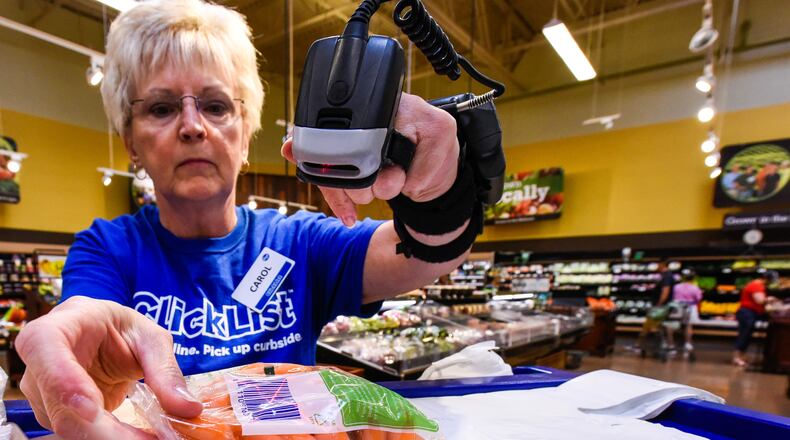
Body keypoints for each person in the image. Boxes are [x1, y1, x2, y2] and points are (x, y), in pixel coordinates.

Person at [14, 1, 478, 437]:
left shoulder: (298, 242)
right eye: (161, 108)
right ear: (131, 142)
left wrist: (439, 192)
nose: (193, 126)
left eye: (215, 106)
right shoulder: (108, 248)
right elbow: (87, 316)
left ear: (246, 131)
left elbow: (425, 253)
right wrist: (70, 341)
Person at [733, 271, 779, 367]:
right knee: (744, 335)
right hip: (747, 313)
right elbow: (760, 300)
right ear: (767, 279)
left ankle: (742, 356)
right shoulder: (756, 286)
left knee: (747, 335)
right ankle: (736, 358)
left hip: (749, 313)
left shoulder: (757, 284)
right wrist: (770, 299)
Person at [636, 260, 675, 351]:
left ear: (662, 264)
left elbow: (665, 292)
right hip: (662, 306)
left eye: (657, 264)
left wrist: (659, 304)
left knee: (650, 326)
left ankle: (645, 346)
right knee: (652, 326)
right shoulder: (666, 276)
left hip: (660, 307)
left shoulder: (666, 276)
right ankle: (666, 345)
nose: (656, 267)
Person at [671, 271, 703, 353]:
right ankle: (688, 344)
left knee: (673, 324)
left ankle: (671, 344)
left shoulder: (676, 287)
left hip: (677, 306)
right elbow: (698, 299)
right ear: (693, 278)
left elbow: (672, 296)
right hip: (690, 307)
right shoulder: (695, 288)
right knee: (688, 325)